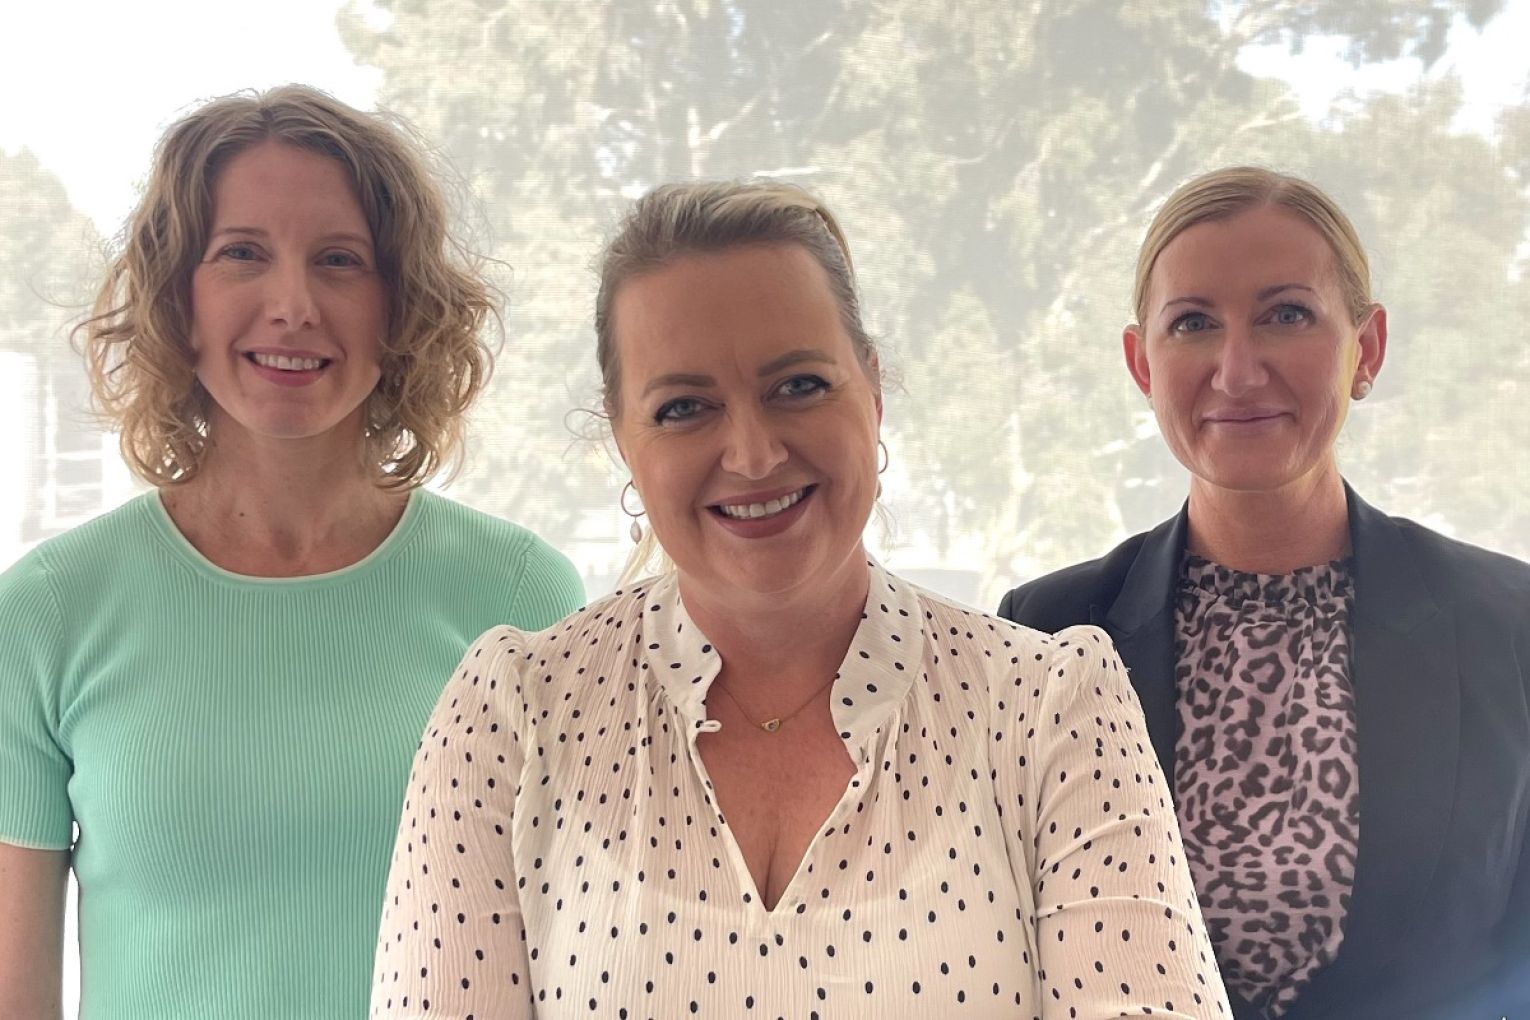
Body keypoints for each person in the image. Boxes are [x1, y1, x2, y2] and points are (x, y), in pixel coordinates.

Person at [370, 180, 1231, 1019]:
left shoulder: (1051, 704)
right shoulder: (512, 711)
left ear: (874, 387)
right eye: (682, 407)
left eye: (799, 386)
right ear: (621, 436)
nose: (751, 454)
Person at [0, 85, 584, 1019]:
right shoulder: (43, 613)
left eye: (340, 261)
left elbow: (573, 966)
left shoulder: (521, 596)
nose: (293, 304)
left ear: (399, 310)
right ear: (177, 299)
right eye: (241, 254)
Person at [998, 166, 1530, 1020]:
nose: (1237, 370)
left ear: (1369, 348)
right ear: (1142, 363)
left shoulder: (1510, 626)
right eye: (1193, 324)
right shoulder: (1046, 633)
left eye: (1286, 314)